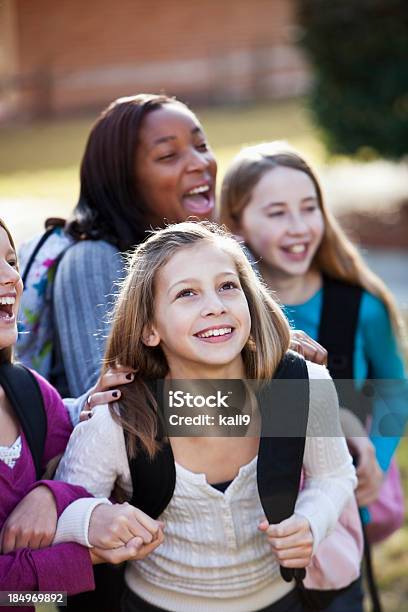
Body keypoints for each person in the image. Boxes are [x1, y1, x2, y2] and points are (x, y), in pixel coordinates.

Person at [55, 221, 357, 612]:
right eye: (187, 293)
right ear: (149, 329)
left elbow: (334, 474)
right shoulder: (117, 418)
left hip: (282, 600)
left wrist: (312, 521)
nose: (215, 305)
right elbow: (64, 512)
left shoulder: (304, 384)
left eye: (228, 286)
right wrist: (93, 518)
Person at [17, 94, 326, 424]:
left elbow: (270, 373)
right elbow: (112, 404)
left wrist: (339, 422)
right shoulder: (91, 260)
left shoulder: (230, 253)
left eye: (202, 146)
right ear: (124, 180)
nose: (199, 163)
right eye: (167, 155)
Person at [219, 141, 408, 611]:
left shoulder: (359, 306)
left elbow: (394, 387)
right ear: (236, 225)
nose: (299, 226)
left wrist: (377, 461)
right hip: (251, 530)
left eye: (309, 208)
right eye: (277, 213)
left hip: (337, 518)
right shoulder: (224, 314)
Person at [0, 217, 164, 606]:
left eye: (10, 261)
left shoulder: (30, 394)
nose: (9, 278)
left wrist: (48, 494)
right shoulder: (89, 259)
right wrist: (87, 551)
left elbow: (72, 466)